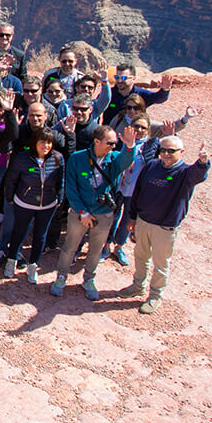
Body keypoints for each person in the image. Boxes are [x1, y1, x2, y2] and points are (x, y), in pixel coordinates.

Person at [121, 136, 212, 314]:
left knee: (161, 263)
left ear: (181, 152)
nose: (167, 154)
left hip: (164, 227)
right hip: (144, 222)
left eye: (172, 151)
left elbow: (198, 174)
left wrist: (203, 162)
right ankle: (137, 286)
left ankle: (155, 296)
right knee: (141, 256)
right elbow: (138, 191)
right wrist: (132, 218)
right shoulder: (152, 166)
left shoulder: (185, 173)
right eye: (163, 150)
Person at [51, 124, 137, 300]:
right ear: (97, 141)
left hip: (104, 214)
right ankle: (61, 277)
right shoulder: (77, 158)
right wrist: (82, 212)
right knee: (70, 247)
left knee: (96, 249)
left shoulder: (113, 159)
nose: (113, 146)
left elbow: (126, 161)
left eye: (114, 143)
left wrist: (129, 146)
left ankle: (89, 279)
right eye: (110, 143)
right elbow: (71, 188)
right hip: (79, 213)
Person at [0, 129, 66, 283]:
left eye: (49, 142)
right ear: (35, 142)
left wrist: (59, 198)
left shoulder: (57, 158)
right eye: (42, 141)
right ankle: (11, 260)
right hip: (24, 202)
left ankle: (33, 265)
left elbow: (60, 181)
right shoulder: (23, 158)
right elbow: (12, 179)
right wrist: (10, 197)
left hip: (47, 204)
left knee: (40, 236)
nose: (46, 145)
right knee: (19, 232)